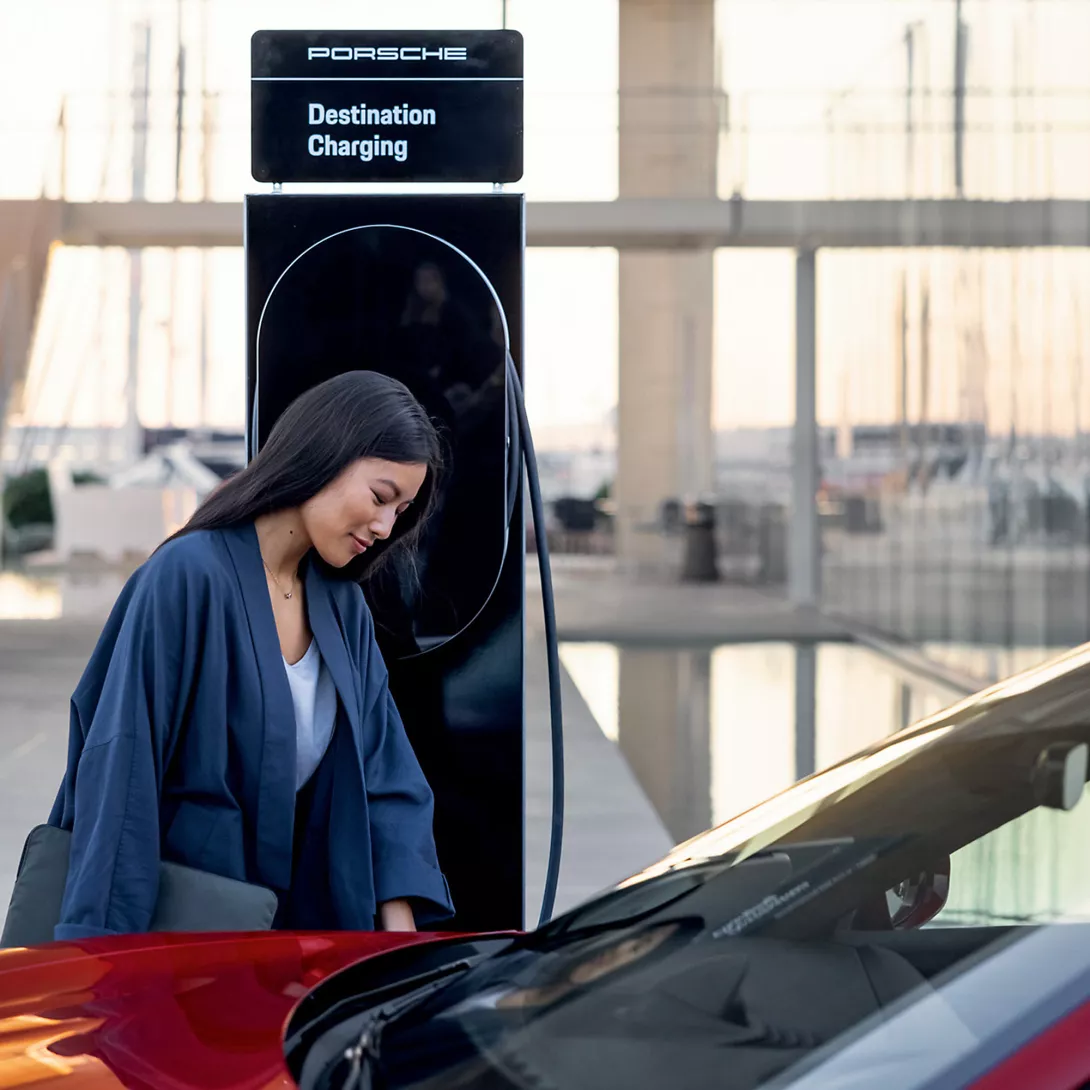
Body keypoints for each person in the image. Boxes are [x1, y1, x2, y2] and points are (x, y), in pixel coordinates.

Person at [48, 371, 455, 940]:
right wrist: (105, 965)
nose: (386, 527)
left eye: (402, 511)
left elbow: (385, 779)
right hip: (181, 940)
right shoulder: (187, 578)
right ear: (326, 453)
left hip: (298, 946)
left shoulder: (344, 608)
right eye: (381, 497)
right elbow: (122, 772)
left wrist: (400, 944)